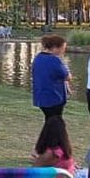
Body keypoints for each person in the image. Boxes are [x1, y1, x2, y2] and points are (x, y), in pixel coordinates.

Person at [32, 35, 74, 168]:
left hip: (41, 97)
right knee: (55, 125)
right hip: (54, 97)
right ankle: (53, 152)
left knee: (49, 123)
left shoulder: (38, 58)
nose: (63, 51)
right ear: (55, 47)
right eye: (62, 48)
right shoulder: (55, 61)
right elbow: (67, 76)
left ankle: (44, 149)